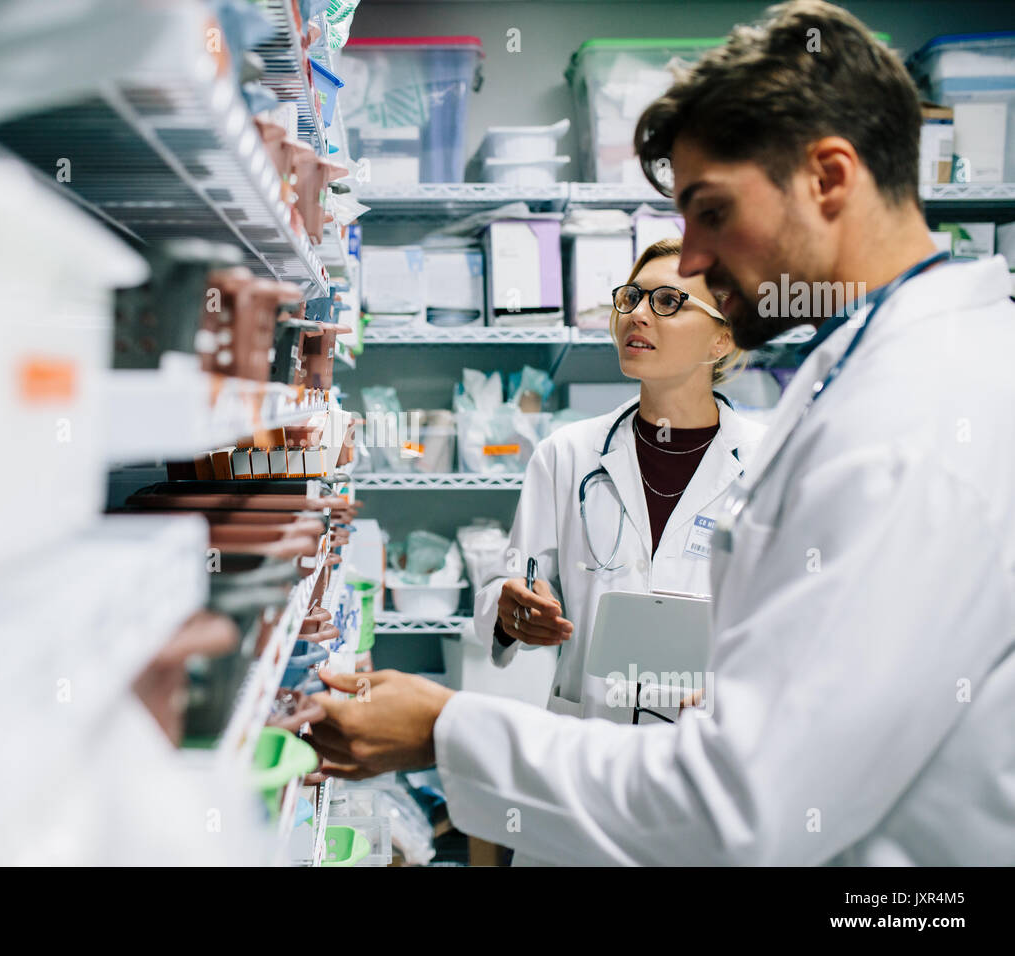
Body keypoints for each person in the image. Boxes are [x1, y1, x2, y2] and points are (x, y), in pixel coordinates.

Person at [310, 0, 1015, 865]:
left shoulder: (913, 416)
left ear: (830, 178)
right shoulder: (868, 372)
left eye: (710, 211)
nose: (687, 258)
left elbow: (745, 803)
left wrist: (447, 728)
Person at [481, 237, 764, 732]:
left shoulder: (767, 463)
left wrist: (731, 691)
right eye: (632, 298)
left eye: (669, 302)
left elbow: (798, 621)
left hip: (711, 744)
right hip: (592, 736)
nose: (638, 315)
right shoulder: (566, 456)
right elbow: (511, 589)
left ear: (721, 339)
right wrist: (511, 612)